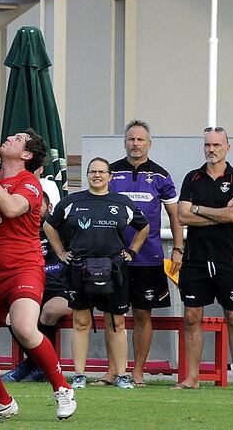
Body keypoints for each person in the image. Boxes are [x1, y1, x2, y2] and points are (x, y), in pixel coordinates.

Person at [0, 130, 77, 420]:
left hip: (24, 269)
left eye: (16, 139)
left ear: (27, 155)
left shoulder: (30, 183)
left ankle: (62, 389)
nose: (9, 138)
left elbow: (12, 208)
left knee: (25, 328)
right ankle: (3, 401)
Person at [44, 157, 149, 390]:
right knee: (81, 322)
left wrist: (132, 251)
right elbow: (49, 225)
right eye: (93, 172)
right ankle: (79, 375)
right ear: (87, 175)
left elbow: (144, 227)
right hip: (79, 268)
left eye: (102, 172)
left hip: (114, 270)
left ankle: (122, 375)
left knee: (116, 322)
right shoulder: (72, 201)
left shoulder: (122, 203)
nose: (97, 175)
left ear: (110, 176)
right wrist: (61, 252)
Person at [108, 119, 184, 387]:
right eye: (131, 139)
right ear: (124, 142)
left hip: (148, 257)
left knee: (142, 314)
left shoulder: (161, 176)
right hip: (114, 257)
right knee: (113, 315)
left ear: (149, 144)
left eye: (140, 140)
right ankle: (113, 371)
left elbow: (175, 217)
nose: (135, 144)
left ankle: (138, 371)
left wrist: (177, 249)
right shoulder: (111, 173)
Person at [175, 127, 233, 390]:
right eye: (208, 145)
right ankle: (192, 377)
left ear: (227, 147)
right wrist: (217, 213)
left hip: (229, 259)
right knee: (192, 316)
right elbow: (182, 216)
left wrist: (199, 210)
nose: (212, 149)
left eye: (217, 145)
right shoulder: (192, 178)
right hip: (196, 259)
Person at [3, 191, 72, 383]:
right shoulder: (19, 230)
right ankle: (37, 364)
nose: (32, 208)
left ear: (49, 208)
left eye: (37, 205)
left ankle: (35, 365)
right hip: (32, 287)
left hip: (60, 290)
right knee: (10, 317)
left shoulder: (62, 229)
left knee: (49, 312)